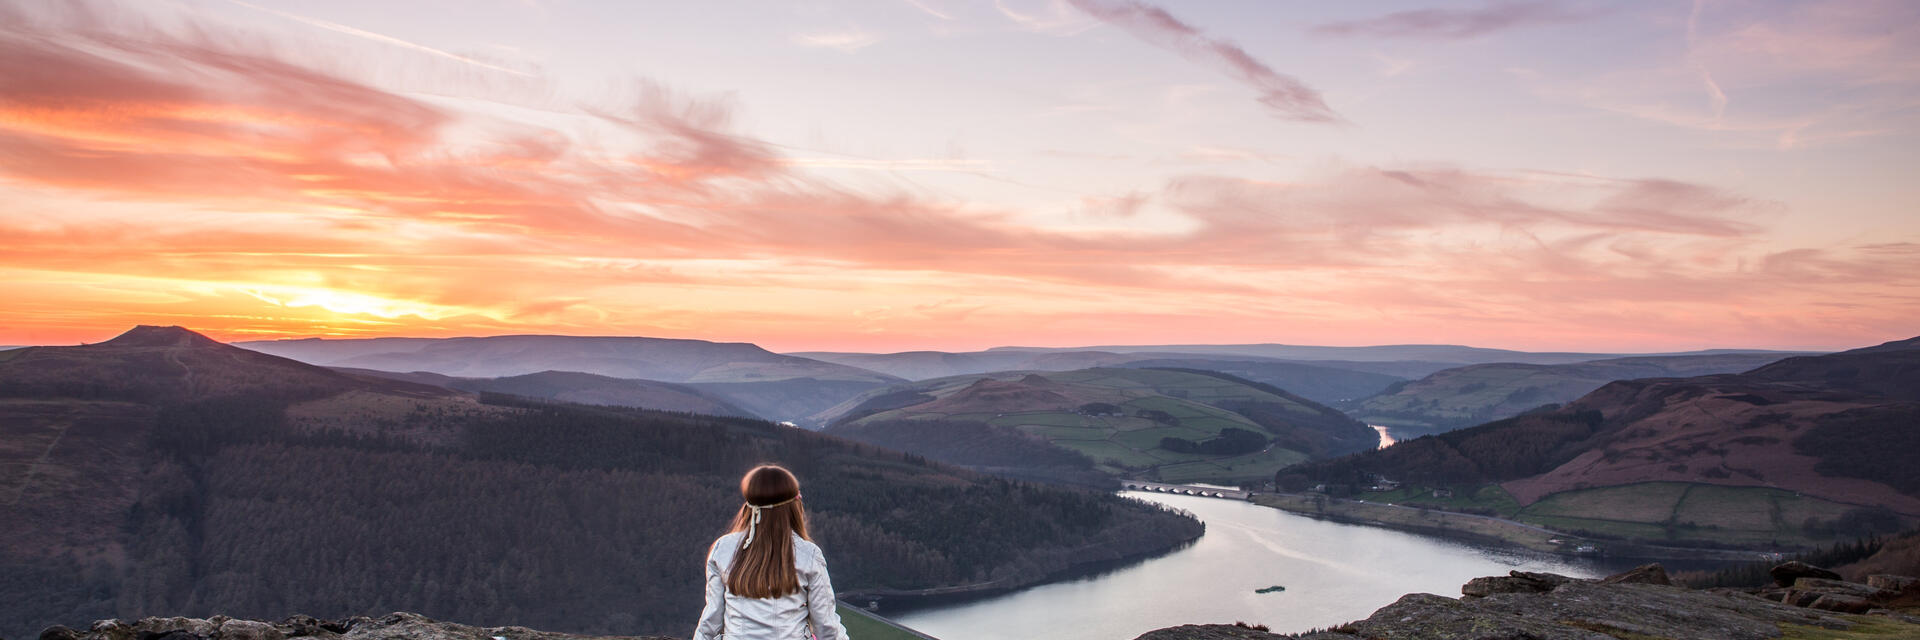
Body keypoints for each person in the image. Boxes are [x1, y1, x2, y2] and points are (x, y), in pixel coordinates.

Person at [693, 465, 849, 640]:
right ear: (794, 506)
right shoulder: (809, 555)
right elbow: (826, 628)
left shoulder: (723, 549)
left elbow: (711, 621)